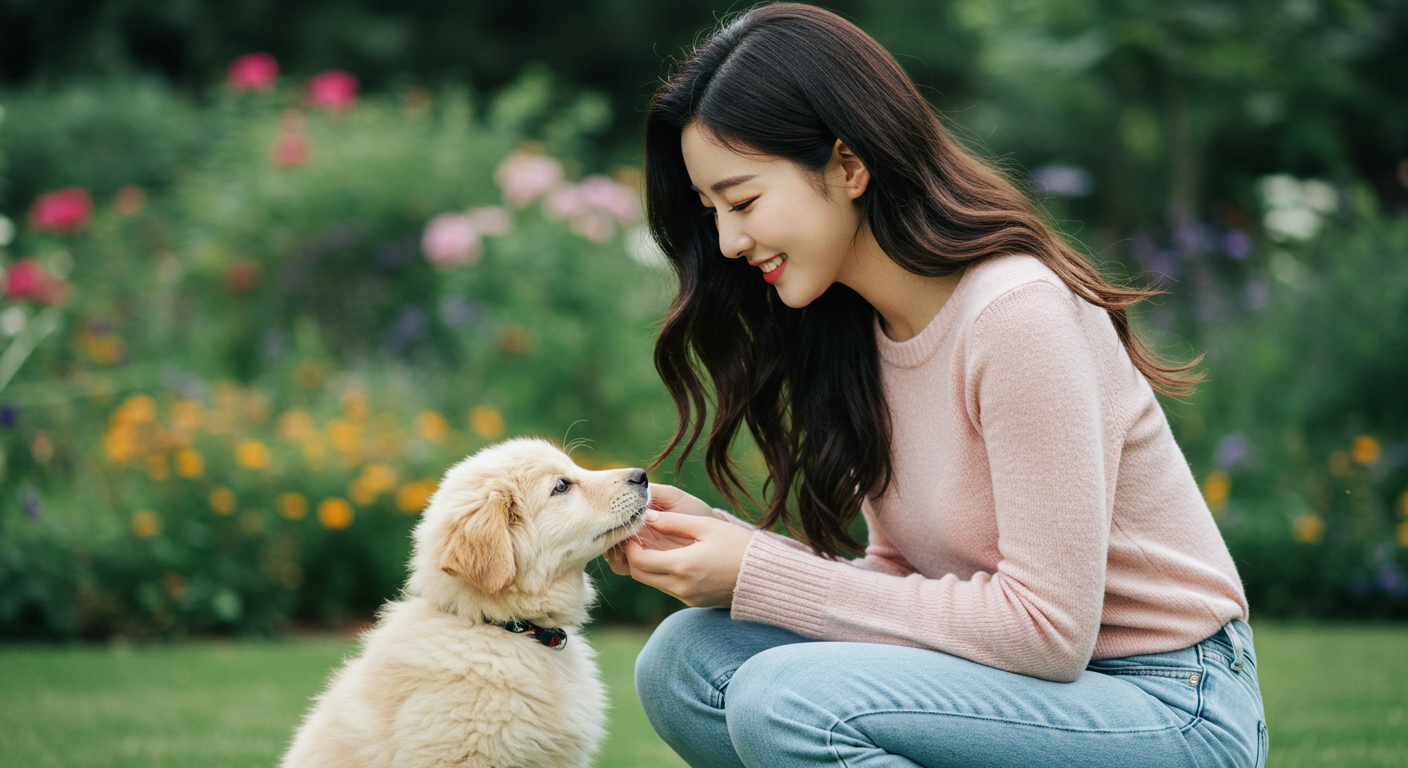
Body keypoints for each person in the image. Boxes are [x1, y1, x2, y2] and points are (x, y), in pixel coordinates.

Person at [604, 4, 1267, 767]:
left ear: (849, 166)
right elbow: (908, 587)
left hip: (1170, 701)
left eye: (744, 201)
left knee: (787, 697)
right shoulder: (861, 330)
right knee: (687, 663)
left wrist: (760, 572)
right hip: (1026, 693)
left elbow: (1047, 631)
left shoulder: (1015, 315)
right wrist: (731, 552)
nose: (728, 240)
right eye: (713, 211)